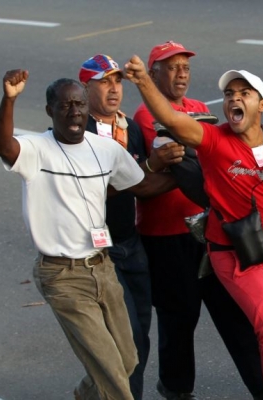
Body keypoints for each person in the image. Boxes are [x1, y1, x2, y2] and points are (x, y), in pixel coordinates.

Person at [126, 56, 263, 400]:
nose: (234, 99)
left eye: (244, 93)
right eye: (229, 94)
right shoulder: (213, 140)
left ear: (262, 104)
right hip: (235, 257)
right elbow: (170, 119)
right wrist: (141, 81)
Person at [0, 70, 176, 399]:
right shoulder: (37, 148)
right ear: (50, 111)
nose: (74, 111)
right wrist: (9, 99)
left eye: (79, 104)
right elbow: (3, 146)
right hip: (63, 275)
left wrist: (194, 175)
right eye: (65, 105)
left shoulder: (106, 149)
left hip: (103, 267)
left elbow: (142, 184)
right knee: (111, 373)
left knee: (127, 360)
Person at [132, 41, 263, 399]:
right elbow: (181, 163)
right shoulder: (147, 115)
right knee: (179, 316)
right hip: (166, 235)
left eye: (186, 68)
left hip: (208, 230)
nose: (181, 74)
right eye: (172, 67)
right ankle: (176, 389)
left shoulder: (198, 108)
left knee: (233, 312)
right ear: (153, 74)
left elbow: (212, 156)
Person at [79, 54, 188, 400]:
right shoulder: (77, 130)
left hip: (131, 244)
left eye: (117, 81)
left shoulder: (128, 128)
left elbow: (141, 186)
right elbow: (99, 188)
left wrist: (192, 176)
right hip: (97, 253)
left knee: (140, 337)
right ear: (85, 87)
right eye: (104, 82)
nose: (114, 89)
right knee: (127, 339)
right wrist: (151, 166)